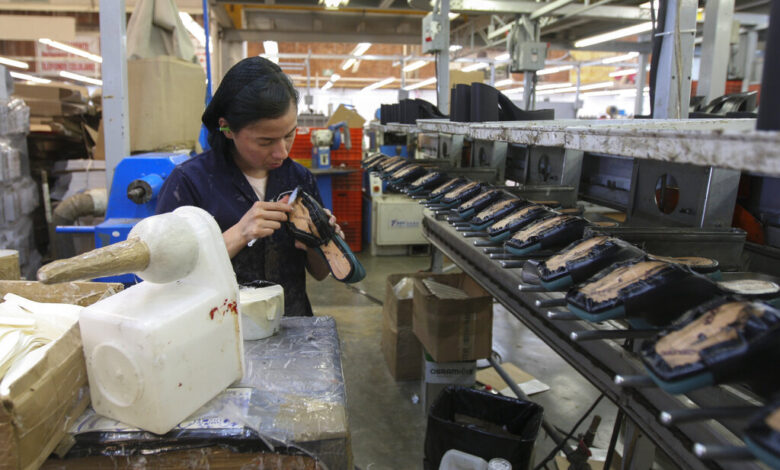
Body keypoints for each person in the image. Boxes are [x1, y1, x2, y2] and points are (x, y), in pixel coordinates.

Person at [156, 57, 341, 317]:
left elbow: (320, 274)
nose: (282, 152)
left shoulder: (299, 179)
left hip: (291, 328)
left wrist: (320, 241)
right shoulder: (189, 183)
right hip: (220, 330)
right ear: (227, 128)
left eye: (289, 134)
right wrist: (238, 234)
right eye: (265, 142)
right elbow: (166, 279)